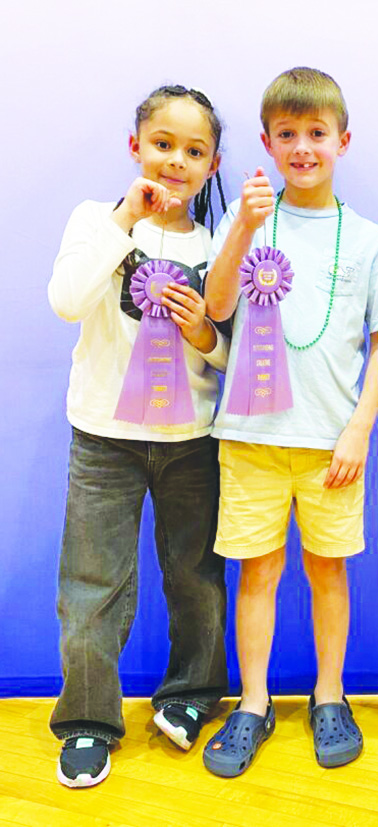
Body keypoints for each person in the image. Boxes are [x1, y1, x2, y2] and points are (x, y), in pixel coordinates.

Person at [201, 66, 378, 777]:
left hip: (332, 445)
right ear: (266, 142)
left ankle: (329, 694)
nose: (302, 147)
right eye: (286, 134)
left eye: (316, 133)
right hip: (251, 439)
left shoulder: (369, 239)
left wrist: (360, 427)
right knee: (256, 574)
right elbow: (219, 307)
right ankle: (253, 702)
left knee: (328, 574)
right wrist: (244, 229)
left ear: (342, 140)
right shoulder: (248, 217)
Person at [47, 85, 230, 788]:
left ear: (211, 165)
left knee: (194, 577)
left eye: (193, 150)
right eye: (163, 144)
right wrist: (127, 216)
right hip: (103, 439)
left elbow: (230, 352)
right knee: (92, 585)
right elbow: (67, 301)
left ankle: (190, 695)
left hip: (193, 440)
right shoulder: (96, 220)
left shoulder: (217, 245)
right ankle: (88, 721)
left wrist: (202, 333)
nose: (176, 160)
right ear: (136, 148)